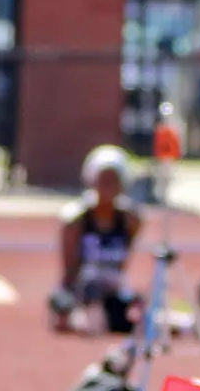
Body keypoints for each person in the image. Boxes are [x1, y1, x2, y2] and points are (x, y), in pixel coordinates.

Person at [48, 144, 143, 335]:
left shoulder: (130, 220)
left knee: (142, 316)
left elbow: (123, 263)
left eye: (113, 180)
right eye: (103, 179)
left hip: (112, 290)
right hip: (82, 290)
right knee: (84, 320)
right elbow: (69, 271)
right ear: (92, 180)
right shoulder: (76, 220)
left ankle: (190, 321)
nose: (108, 186)